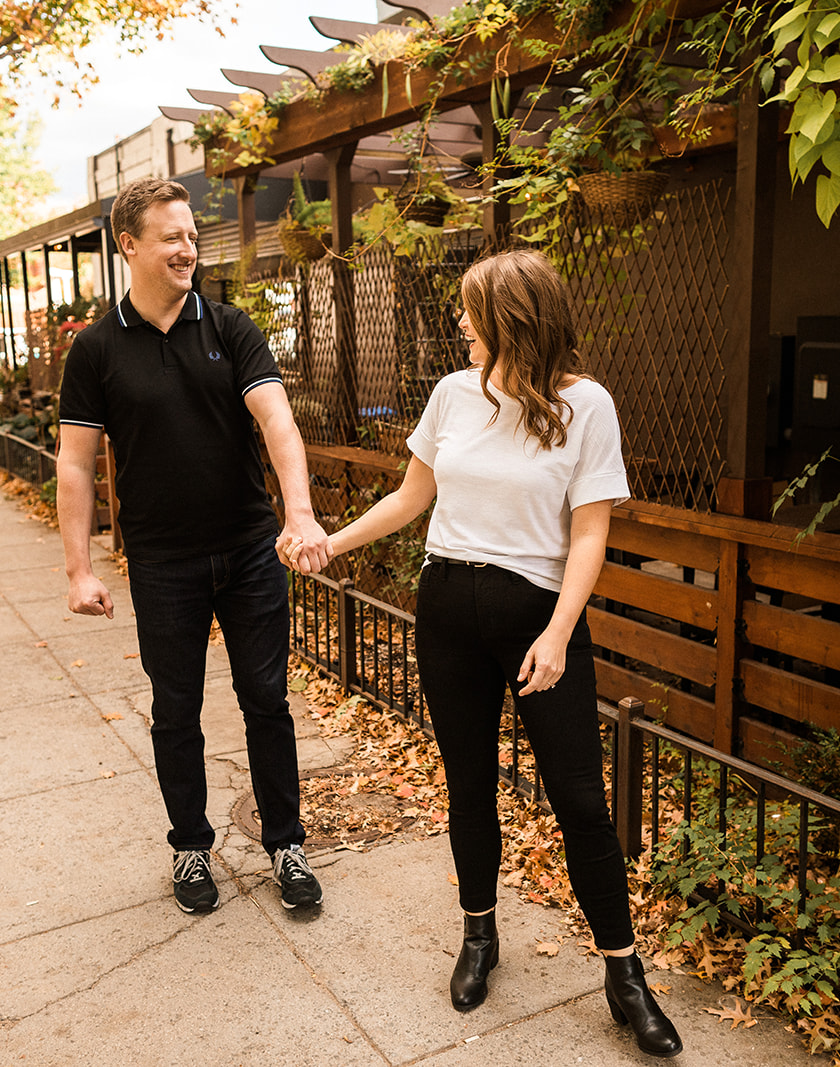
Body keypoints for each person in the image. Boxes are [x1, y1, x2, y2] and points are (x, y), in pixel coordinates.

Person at [307, 249, 681, 1057]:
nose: (459, 323)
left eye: (470, 310)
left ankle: (625, 976)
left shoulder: (587, 405)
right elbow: (411, 497)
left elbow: (591, 532)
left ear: (513, 320)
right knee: (469, 784)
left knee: (580, 799)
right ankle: (480, 935)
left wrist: (558, 631)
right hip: (448, 609)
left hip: (538, 618)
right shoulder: (452, 394)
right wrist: (330, 544)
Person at [56, 177, 332, 915]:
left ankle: (286, 845)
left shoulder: (231, 328)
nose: (188, 249)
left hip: (248, 552)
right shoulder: (96, 349)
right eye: (172, 236)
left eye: (192, 236)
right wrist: (79, 569)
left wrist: (299, 514)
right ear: (129, 245)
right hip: (162, 563)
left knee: (266, 700)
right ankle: (190, 848)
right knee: (175, 710)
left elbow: (277, 422)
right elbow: (75, 464)